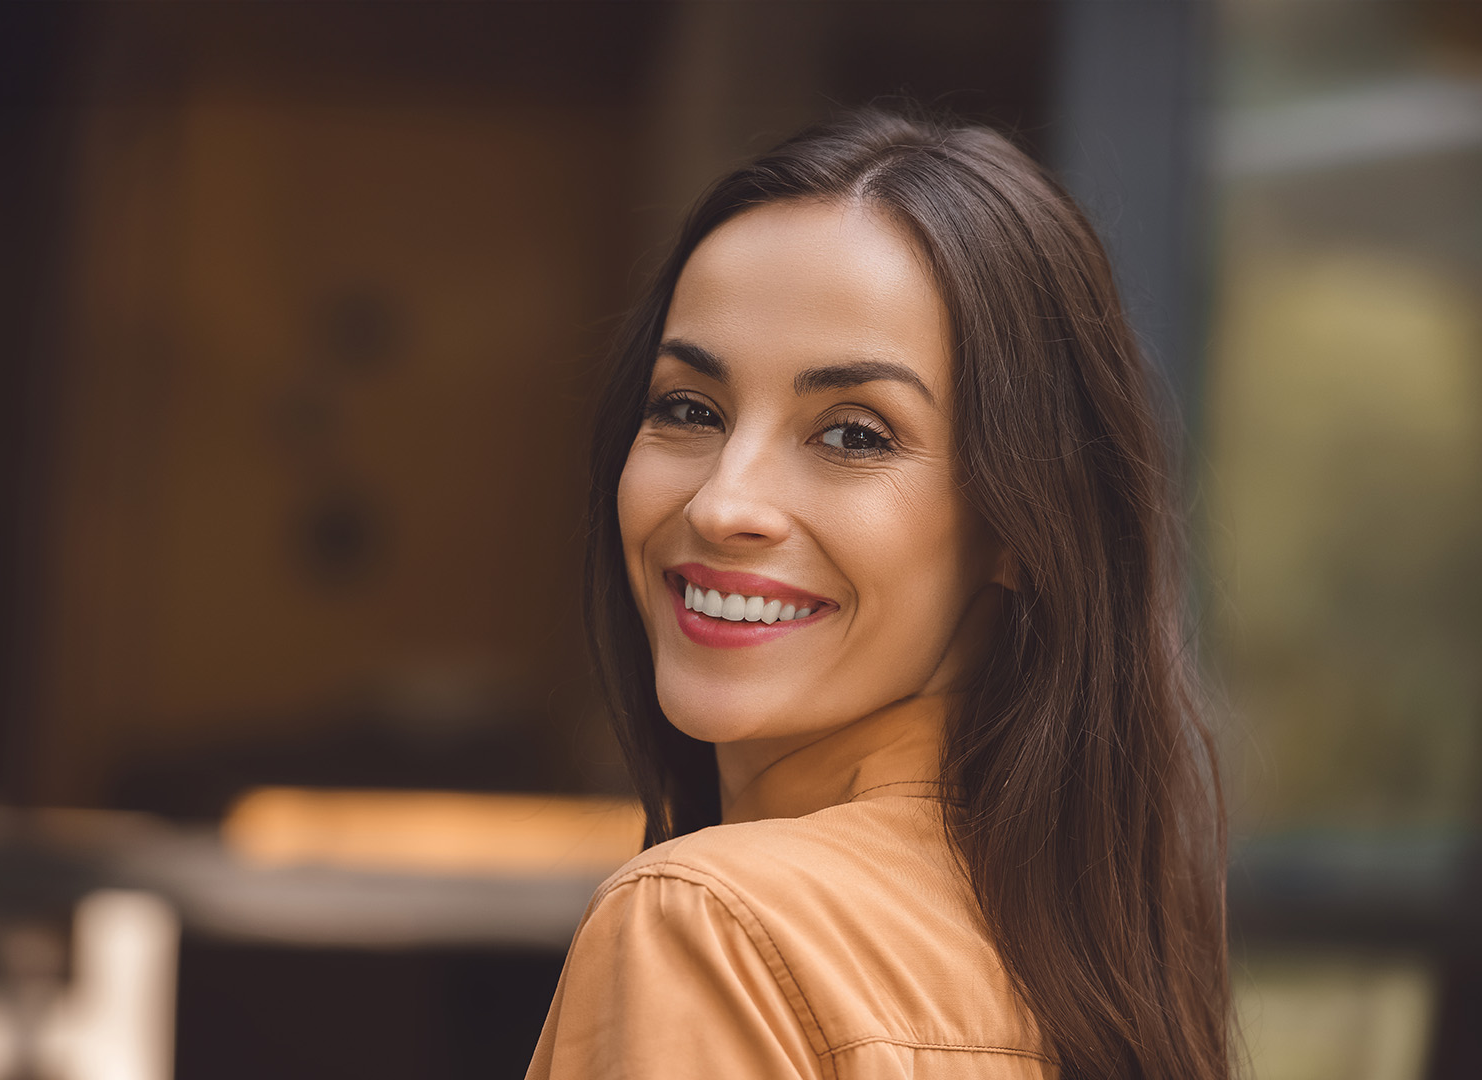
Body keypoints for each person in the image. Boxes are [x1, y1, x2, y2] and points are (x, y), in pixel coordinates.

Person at [527, 108, 1232, 1080]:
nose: (726, 501)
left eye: (854, 433)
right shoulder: (1085, 967)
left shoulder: (708, 927)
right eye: (689, 409)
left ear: (1022, 524)